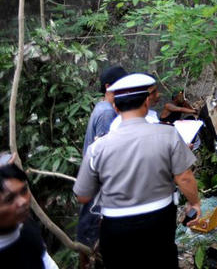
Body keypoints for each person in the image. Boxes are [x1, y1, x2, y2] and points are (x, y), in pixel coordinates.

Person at [73, 73, 201, 269]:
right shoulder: (168, 135)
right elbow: (184, 177)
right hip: (158, 222)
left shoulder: (98, 148)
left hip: (116, 227)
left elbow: (82, 196)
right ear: (146, 103)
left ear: (115, 107)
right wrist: (195, 203)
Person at [77, 65, 126, 257]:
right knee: (92, 245)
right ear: (108, 87)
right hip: (98, 192)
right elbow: (106, 158)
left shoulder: (102, 107)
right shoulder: (107, 113)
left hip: (95, 189)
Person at [0, 162, 59, 268]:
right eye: (9, 199)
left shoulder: (26, 226)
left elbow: (45, 261)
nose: (22, 202)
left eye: (23, 191)